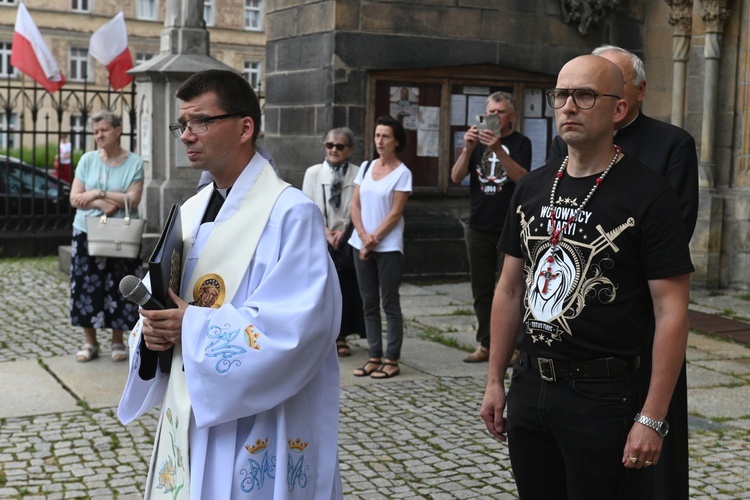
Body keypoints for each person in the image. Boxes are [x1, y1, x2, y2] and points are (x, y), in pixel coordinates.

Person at [117, 69, 343, 498]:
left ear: (245, 128)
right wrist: (153, 331)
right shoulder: (189, 211)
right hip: (192, 403)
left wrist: (192, 327)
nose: (186, 135)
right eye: (181, 124)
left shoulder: (291, 214)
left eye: (200, 121)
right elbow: (167, 300)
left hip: (260, 414)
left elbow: (299, 329)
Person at [480, 55, 694, 499]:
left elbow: (671, 310)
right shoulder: (533, 187)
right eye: (561, 95)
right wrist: (495, 380)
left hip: (603, 395)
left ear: (618, 109)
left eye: (585, 95)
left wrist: (652, 417)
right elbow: (510, 287)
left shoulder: (650, 196)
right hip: (531, 384)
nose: (569, 106)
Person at [548, 45, 698, 500]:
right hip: (578, 313)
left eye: (609, 78)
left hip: (643, 304)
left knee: (650, 432)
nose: (579, 100)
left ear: (634, 92)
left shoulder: (671, 143)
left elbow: (677, 225)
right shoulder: (569, 138)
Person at [450, 91, 532, 363]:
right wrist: (468, 148)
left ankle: (514, 347)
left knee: (511, 289)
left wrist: (497, 149)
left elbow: (524, 180)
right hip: (479, 225)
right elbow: (456, 176)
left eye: (500, 112)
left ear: (512, 116)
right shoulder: (476, 143)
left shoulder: (521, 143)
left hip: (510, 226)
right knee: (481, 289)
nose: (495, 116)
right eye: (491, 111)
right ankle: (486, 343)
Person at [69, 111, 144, 363]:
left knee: (119, 286)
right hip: (86, 231)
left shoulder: (134, 162)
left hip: (121, 234)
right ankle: (90, 342)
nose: (99, 135)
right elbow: (74, 197)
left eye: (104, 130)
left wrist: (97, 193)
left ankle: (117, 340)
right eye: (96, 131)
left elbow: (133, 200)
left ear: (118, 131)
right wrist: (102, 203)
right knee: (85, 286)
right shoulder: (88, 160)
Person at [348, 115, 412, 379]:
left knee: (390, 303)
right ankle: (374, 355)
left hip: (387, 248)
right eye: (377, 135)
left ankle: (391, 358)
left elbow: (395, 213)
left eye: (385, 136)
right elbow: (355, 204)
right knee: (368, 302)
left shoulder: (402, 173)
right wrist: (362, 235)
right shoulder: (365, 167)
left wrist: (373, 240)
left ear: (396, 141)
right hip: (359, 243)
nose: (380, 141)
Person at [302, 127, 366, 357]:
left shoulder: (358, 173)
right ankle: (321, 333)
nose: (334, 150)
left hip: (347, 236)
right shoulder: (313, 173)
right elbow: (308, 205)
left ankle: (341, 334)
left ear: (350, 150)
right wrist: (326, 232)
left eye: (340, 146)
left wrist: (343, 231)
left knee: (347, 287)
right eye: (330, 145)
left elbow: (357, 206)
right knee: (321, 286)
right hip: (321, 235)